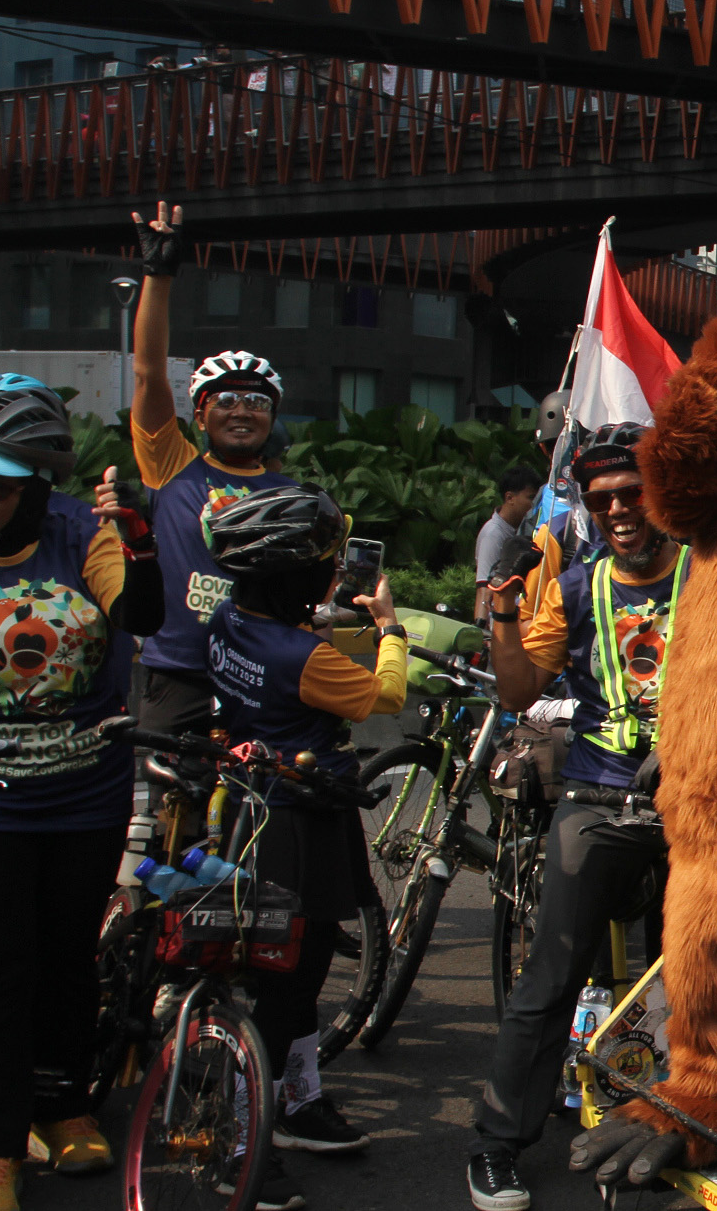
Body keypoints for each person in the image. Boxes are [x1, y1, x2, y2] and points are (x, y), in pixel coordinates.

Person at [0, 380, 163, 1211]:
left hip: (84, 791)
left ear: (38, 485)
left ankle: (64, 1107)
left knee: (67, 956)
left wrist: (137, 542)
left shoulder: (79, 532)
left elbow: (144, 613)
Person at [469, 428, 687, 1211]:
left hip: (698, 811)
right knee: (551, 977)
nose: (619, 511)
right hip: (598, 804)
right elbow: (519, 693)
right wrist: (501, 612)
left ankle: (688, 1123)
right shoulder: (575, 589)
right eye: (602, 501)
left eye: (633, 493)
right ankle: (496, 1146)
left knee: (704, 976)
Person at [202, 486, 405, 1205]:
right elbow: (383, 697)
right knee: (290, 981)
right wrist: (390, 630)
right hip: (301, 819)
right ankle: (239, 1132)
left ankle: (297, 1100)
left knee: (299, 970)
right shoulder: (303, 657)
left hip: (254, 812)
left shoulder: (230, 622)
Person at [123, 201, 295, 735]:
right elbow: (150, 374)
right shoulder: (172, 464)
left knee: (259, 804)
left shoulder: (290, 493)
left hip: (258, 670)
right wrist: (159, 275)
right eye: (225, 401)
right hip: (178, 670)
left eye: (256, 402)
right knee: (160, 802)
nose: (242, 411)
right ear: (198, 415)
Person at [474, 466, 546, 586]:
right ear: (510, 498)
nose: (535, 504)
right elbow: (484, 586)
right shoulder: (493, 535)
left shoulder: (523, 528)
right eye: (531, 498)